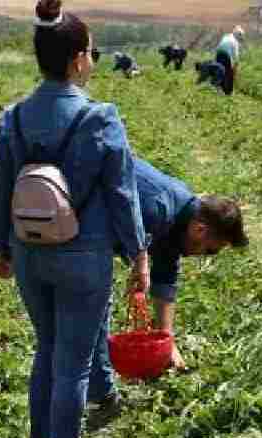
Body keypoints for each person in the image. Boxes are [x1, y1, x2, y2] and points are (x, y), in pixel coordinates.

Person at [0, 0, 149, 438]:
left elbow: (0, 188)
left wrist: (2, 246)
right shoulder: (100, 118)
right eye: (92, 53)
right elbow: (122, 194)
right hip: (85, 254)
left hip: (30, 251)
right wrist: (138, 254)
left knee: (47, 350)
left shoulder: (14, 118)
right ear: (79, 59)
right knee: (75, 363)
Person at [87, 157, 248, 420]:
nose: (205, 256)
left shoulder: (183, 213)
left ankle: (94, 387)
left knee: (94, 307)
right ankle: (97, 397)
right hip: (70, 218)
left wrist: (166, 341)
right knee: (92, 306)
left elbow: (166, 275)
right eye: (211, 250)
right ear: (200, 229)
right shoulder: (158, 209)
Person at [215, 26, 244, 95]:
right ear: (238, 35)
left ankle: (219, 90)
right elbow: (236, 58)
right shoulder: (235, 42)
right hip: (225, 56)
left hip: (218, 54)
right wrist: (235, 69)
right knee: (229, 73)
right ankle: (229, 92)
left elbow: (219, 47)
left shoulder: (226, 36)